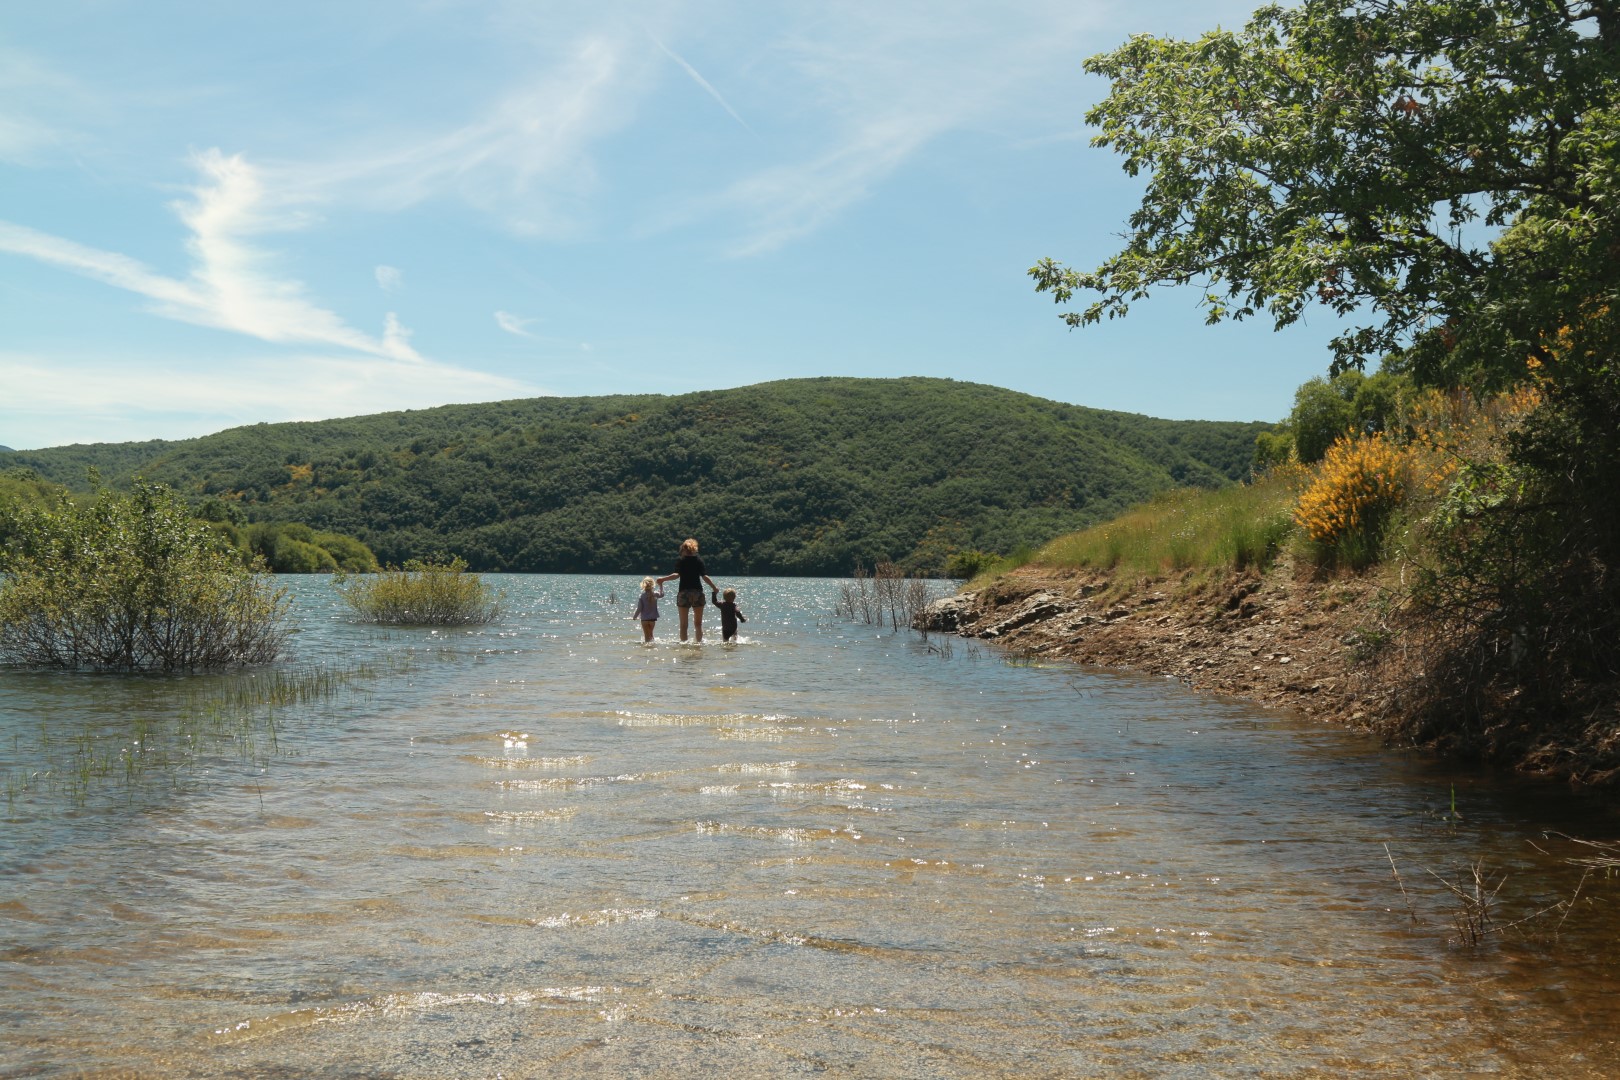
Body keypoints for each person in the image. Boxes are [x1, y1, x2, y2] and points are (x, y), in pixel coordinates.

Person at [656, 538, 718, 642]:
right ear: (694, 549)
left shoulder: (681, 561)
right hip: (697, 592)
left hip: (684, 593)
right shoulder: (699, 561)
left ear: (683, 549)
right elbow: (704, 576)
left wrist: (663, 579)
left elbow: (676, 575)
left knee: (683, 625)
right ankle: (698, 644)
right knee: (698, 624)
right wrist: (714, 587)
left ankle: (684, 645)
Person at [631, 576, 664, 643]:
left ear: (643, 585)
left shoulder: (642, 596)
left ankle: (646, 650)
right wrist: (661, 585)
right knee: (651, 635)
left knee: (646, 636)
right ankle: (652, 649)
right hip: (652, 619)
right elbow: (662, 594)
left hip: (644, 620)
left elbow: (639, 609)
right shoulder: (655, 594)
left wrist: (634, 616)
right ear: (653, 585)